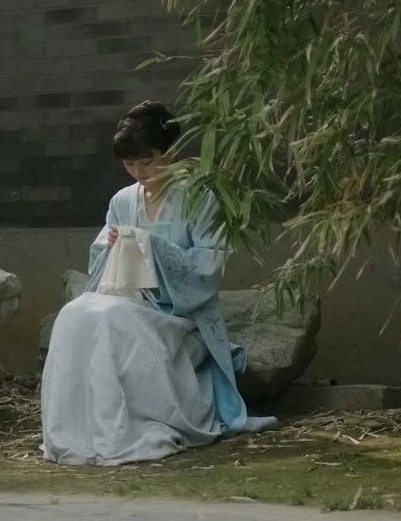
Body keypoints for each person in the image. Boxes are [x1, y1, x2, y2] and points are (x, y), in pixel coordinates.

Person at [41, 100, 278, 466]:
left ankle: (122, 429)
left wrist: (154, 246)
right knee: (74, 312)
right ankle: (77, 432)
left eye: (147, 161)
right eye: (129, 164)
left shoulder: (200, 197)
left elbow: (207, 270)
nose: (138, 172)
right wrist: (113, 245)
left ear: (171, 152)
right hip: (129, 300)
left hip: (181, 313)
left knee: (110, 319)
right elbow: (99, 262)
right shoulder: (122, 200)